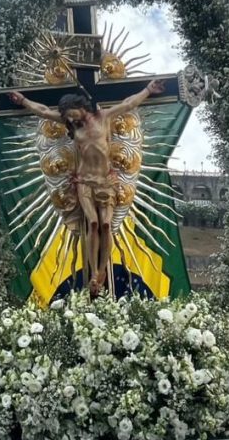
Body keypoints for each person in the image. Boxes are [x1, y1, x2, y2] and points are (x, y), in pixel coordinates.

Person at [9, 79, 166, 296]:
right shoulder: (72, 125)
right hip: (83, 182)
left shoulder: (104, 117)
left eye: (71, 114)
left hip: (106, 181)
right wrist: (24, 101)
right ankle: (94, 272)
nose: (69, 119)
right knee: (92, 223)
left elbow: (128, 104)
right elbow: (44, 111)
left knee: (106, 225)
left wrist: (148, 90)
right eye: (67, 117)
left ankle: (102, 269)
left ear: (80, 107)